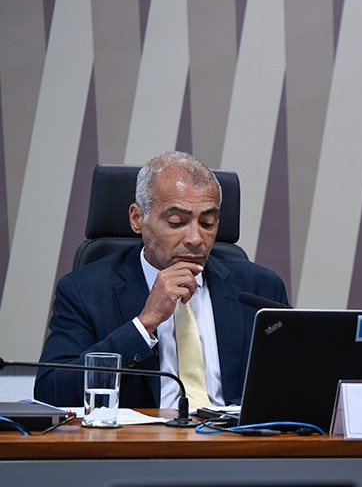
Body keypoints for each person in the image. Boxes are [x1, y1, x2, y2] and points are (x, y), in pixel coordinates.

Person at [35, 151, 289, 408]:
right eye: (177, 222)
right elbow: (51, 391)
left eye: (208, 223)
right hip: (140, 444)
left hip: (236, 442)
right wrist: (144, 324)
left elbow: (290, 382)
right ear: (137, 218)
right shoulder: (84, 290)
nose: (196, 238)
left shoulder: (260, 289)